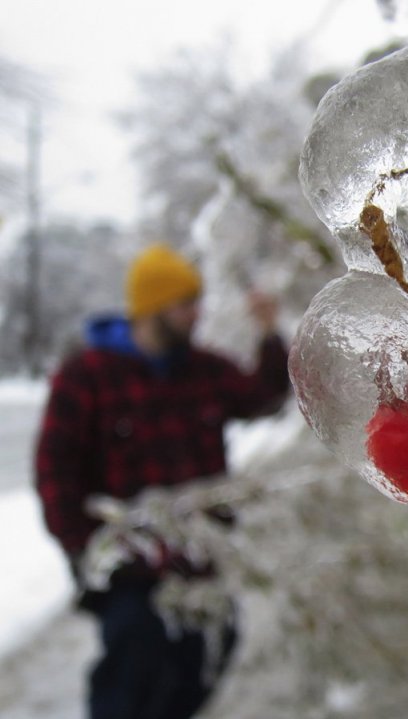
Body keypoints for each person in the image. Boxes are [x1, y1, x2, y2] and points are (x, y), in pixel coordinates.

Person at [34, 242, 290, 719]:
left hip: (201, 561)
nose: (197, 313)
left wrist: (269, 330)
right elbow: (55, 470)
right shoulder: (86, 375)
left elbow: (265, 398)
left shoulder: (203, 370)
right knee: (133, 676)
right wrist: (85, 549)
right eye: (186, 303)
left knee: (211, 653)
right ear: (153, 308)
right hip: (131, 573)